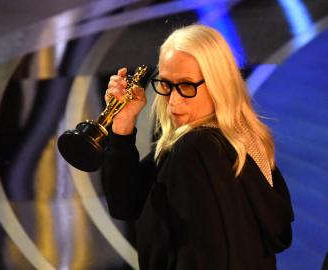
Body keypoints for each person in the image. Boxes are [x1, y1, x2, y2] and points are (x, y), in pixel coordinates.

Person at [102, 24, 294, 270]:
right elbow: (126, 203)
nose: (173, 100)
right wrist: (123, 125)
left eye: (186, 86)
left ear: (218, 83)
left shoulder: (197, 150)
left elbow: (202, 259)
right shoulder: (243, 136)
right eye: (166, 85)